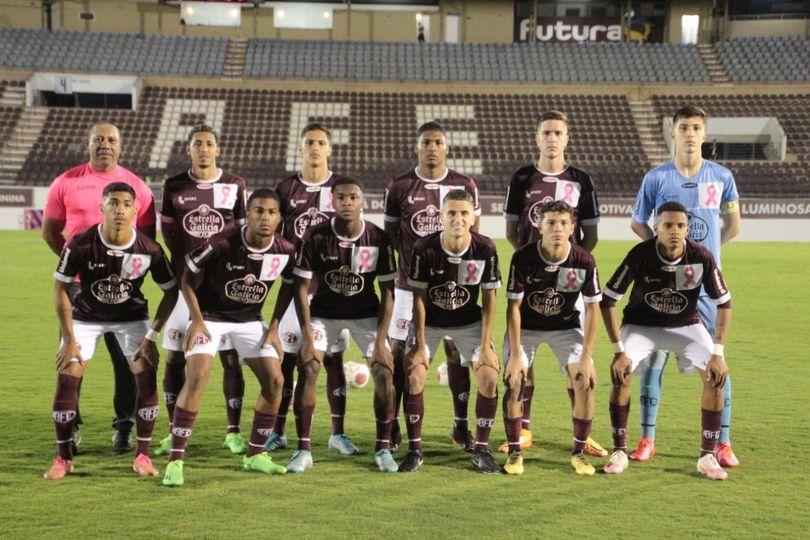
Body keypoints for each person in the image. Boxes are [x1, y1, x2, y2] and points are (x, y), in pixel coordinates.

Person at [629, 106, 741, 467]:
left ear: (704, 135)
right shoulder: (656, 178)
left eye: (696, 127)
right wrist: (657, 257)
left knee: (715, 362)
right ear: (672, 134)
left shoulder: (721, 176)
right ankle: (647, 438)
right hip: (663, 285)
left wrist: (702, 258)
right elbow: (637, 222)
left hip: (705, 288)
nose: (690, 133)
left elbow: (733, 225)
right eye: (683, 127)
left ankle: (722, 442)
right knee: (654, 359)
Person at [162, 189, 295, 487]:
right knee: (197, 377)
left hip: (249, 321)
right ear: (247, 214)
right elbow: (186, 277)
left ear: (279, 218)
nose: (265, 217)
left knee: (275, 382)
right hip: (209, 317)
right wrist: (196, 321)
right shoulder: (222, 242)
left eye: (271, 212)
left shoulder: (285, 249)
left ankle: (255, 454)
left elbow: (288, 286)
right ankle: (176, 460)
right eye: (258, 211)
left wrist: (273, 327)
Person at [45, 183, 177, 479]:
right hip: (86, 316)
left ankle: (142, 455)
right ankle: (63, 458)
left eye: (126, 204)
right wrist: (68, 339)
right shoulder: (80, 243)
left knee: (145, 376)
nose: (120, 209)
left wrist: (152, 336)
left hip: (131, 318)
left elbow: (172, 292)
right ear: (101, 208)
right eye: (113, 203)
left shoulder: (149, 249)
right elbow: (60, 288)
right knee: (67, 376)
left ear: (135, 210)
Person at [43, 122, 157, 453]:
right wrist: (78, 265)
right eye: (98, 139)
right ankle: (71, 427)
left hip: (124, 292)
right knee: (72, 357)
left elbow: (147, 241)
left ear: (120, 146)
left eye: (111, 140)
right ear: (88, 143)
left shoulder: (137, 186)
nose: (105, 144)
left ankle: (124, 427)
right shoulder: (65, 182)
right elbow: (51, 232)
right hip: (79, 290)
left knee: (127, 364)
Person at [601, 201, 733, 480]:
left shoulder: (701, 256)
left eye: (681, 226)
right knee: (621, 374)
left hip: (685, 324)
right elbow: (608, 299)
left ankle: (707, 456)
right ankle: (620, 450)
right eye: (668, 225)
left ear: (688, 229)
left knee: (715, 375)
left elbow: (725, 303)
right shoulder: (640, 254)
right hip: (641, 325)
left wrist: (718, 352)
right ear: (657, 228)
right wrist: (618, 351)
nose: (675, 231)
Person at [500, 110, 606, 457]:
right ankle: (524, 430)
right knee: (520, 364)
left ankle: (582, 434)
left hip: (570, 280)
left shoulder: (582, 180)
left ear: (566, 138)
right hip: (529, 274)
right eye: (546, 132)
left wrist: (565, 268)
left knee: (576, 365)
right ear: (537, 137)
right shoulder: (522, 178)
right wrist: (536, 264)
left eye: (558, 133)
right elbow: (513, 230)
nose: (551, 138)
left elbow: (589, 235)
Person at [384, 120, 481, 453]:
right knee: (400, 354)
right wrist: (414, 265)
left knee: (456, 352)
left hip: (451, 288)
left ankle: (461, 426)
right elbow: (393, 235)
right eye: (426, 142)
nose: (431, 147)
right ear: (417, 146)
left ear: (446, 147)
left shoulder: (463, 184)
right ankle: (394, 425)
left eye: (437, 142)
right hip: (408, 286)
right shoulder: (399, 186)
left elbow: (473, 234)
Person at [291, 177, 399, 473]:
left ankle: (383, 449)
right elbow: (300, 288)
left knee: (383, 372)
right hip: (324, 314)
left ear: (363, 201)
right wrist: (308, 338)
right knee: (310, 366)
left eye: (353, 197)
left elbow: (389, 291)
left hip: (365, 313)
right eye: (341, 197)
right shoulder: (315, 236)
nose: (347, 202)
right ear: (332, 201)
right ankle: (304, 450)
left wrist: (380, 340)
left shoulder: (378, 238)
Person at [154, 124, 249, 457]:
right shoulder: (174, 186)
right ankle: (172, 429)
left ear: (218, 150)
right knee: (175, 355)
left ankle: (233, 431)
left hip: (224, 285)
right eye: (198, 144)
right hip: (186, 283)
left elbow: (241, 234)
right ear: (188, 149)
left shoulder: (234, 185)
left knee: (230, 357)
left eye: (209, 144)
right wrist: (185, 268)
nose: (204, 148)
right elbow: (168, 234)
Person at [269, 123, 354, 456]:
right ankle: (277, 431)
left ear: (329, 149)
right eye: (309, 142)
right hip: (295, 288)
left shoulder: (341, 188)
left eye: (321, 142)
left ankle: (338, 433)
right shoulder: (286, 188)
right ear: (300, 148)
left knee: (333, 360)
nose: (315, 147)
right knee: (288, 361)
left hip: (332, 289)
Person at [401, 190, 501, 473]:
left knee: (490, 378)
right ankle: (415, 449)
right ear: (441, 217)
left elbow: (490, 299)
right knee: (415, 375)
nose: (458, 219)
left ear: (473, 218)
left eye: (464, 213)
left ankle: (481, 451)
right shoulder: (424, 248)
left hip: (469, 323)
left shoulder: (485, 249)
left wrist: (484, 346)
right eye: (452, 213)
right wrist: (420, 343)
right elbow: (418, 297)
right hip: (430, 322)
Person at [502, 201, 602, 476]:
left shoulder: (584, 261)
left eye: (563, 223)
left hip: (566, 328)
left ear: (572, 227)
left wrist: (586, 357)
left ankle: (579, 452)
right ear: (540, 225)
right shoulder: (523, 258)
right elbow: (513, 308)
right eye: (551, 223)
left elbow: (593, 309)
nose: (557, 228)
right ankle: (514, 452)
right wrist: (515, 354)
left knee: (584, 381)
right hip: (528, 328)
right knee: (514, 380)